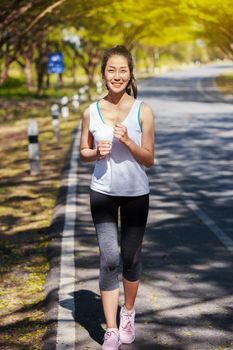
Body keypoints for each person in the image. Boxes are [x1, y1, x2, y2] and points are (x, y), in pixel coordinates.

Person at [80, 45, 154, 350]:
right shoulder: (91, 111)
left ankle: (129, 314)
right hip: (102, 193)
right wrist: (96, 152)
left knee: (130, 257)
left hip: (136, 193)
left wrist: (127, 141)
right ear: (103, 74)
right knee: (109, 259)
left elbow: (148, 158)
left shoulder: (143, 110)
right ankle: (111, 329)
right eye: (111, 70)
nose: (117, 76)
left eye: (123, 70)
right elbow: (84, 153)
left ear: (130, 74)